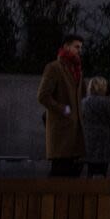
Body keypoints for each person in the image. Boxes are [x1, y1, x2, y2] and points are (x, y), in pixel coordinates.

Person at [38, 35, 86, 177]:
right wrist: (63, 109)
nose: (79, 51)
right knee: (59, 173)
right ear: (66, 46)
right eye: (77, 47)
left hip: (74, 132)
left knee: (71, 173)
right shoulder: (54, 68)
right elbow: (43, 96)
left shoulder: (78, 70)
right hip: (61, 133)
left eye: (80, 48)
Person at [81, 77, 110, 178]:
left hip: (88, 136)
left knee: (90, 167)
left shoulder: (84, 102)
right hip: (104, 137)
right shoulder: (107, 102)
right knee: (103, 167)